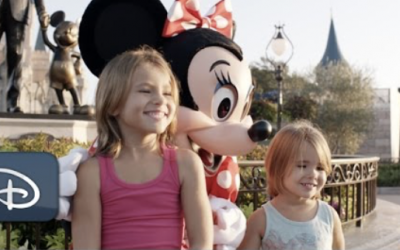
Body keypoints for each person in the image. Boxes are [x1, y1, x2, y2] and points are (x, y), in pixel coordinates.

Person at [71, 47, 213, 250]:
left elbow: (202, 243)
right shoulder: (91, 173)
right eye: (146, 91)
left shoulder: (186, 164)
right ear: (113, 105)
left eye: (167, 93)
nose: (160, 100)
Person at [238, 120, 345, 250]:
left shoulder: (329, 216)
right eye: (302, 166)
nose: (313, 174)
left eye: (320, 167)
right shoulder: (261, 220)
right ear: (278, 167)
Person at [0, 0, 49, 113]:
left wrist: (42, 12)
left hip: (18, 12)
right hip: (3, 8)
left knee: (15, 55)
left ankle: (12, 101)